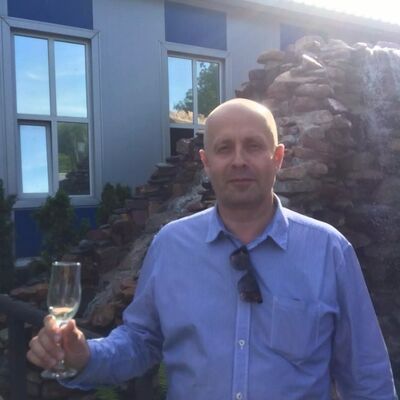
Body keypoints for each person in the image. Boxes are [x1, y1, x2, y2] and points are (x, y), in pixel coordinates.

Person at [28, 98, 397, 399]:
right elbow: (140, 342)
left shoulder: (329, 251)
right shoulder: (171, 246)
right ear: (206, 163)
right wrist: (85, 357)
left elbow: (367, 378)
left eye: (253, 146)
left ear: (278, 158)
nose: (239, 160)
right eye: (224, 148)